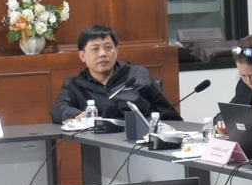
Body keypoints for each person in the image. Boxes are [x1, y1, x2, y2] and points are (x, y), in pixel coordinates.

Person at [49, 25, 180, 122]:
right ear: (82, 56)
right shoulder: (75, 84)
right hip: (98, 146)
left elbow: (169, 116)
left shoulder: (138, 76)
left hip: (141, 143)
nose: (103, 54)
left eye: (108, 47)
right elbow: (58, 110)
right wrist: (77, 114)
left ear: (116, 52)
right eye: (95, 49)